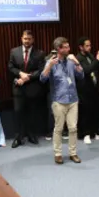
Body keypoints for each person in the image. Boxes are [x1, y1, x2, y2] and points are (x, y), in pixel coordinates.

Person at [40, 37, 83, 165]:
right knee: (58, 128)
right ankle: (58, 154)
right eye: (66, 47)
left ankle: (73, 153)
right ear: (59, 49)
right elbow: (42, 79)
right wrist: (49, 66)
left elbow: (81, 75)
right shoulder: (51, 62)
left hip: (73, 99)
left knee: (73, 128)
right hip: (59, 100)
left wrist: (77, 62)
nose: (68, 49)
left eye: (68, 46)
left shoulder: (71, 61)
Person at [8, 30, 47, 148]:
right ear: (21, 39)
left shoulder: (40, 53)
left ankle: (31, 135)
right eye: (25, 38)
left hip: (32, 88)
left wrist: (26, 78)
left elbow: (40, 70)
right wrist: (20, 73)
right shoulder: (14, 51)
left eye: (29, 39)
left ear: (32, 40)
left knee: (32, 113)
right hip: (18, 89)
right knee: (18, 112)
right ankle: (18, 137)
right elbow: (10, 67)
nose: (27, 41)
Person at [75, 37, 99, 144]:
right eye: (87, 45)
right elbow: (86, 70)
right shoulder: (78, 58)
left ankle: (98, 132)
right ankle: (86, 134)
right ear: (81, 47)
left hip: (95, 88)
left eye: (90, 45)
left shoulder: (90, 55)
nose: (90, 47)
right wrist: (97, 60)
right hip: (85, 89)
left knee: (97, 111)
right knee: (86, 112)